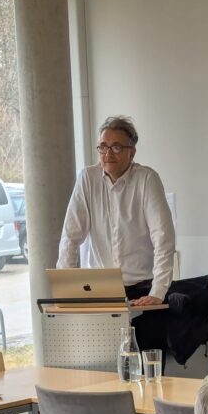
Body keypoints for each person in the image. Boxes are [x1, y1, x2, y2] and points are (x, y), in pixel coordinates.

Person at [57, 116, 175, 307]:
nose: (108, 154)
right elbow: (70, 237)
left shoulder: (147, 179)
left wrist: (158, 291)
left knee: (145, 336)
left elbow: (163, 239)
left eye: (117, 147)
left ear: (132, 152)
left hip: (142, 288)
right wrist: (65, 290)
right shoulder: (88, 178)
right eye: (103, 147)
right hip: (100, 289)